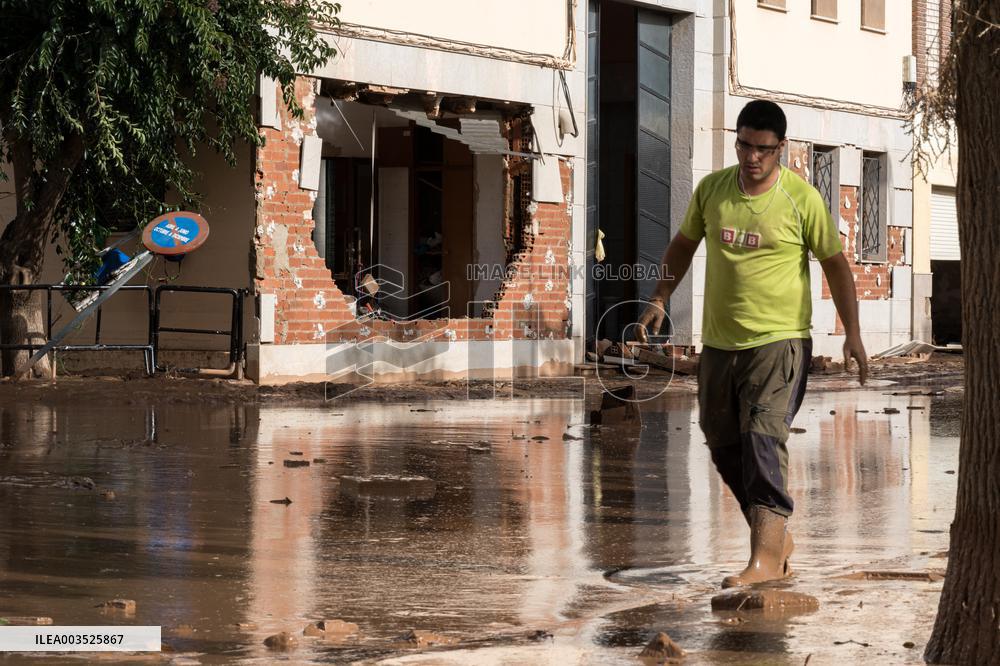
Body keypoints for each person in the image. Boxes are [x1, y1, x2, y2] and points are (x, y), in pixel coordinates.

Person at [637, 99, 868, 588]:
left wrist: (853, 332)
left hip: (779, 342)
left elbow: (835, 265)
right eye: (744, 145)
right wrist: (659, 298)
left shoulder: (801, 199)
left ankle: (763, 561)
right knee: (723, 443)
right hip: (720, 343)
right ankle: (775, 539)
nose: (752, 157)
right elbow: (682, 244)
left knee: (763, 440)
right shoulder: (713, 190)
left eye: (763, 149)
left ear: (780, 148)